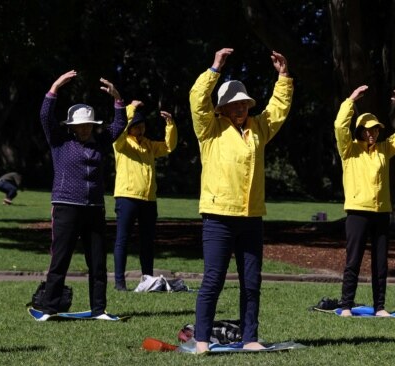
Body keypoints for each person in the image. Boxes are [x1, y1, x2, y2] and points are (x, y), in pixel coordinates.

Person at [189, 48, 293, 352]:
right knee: (213, 281)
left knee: (251, 283)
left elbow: (278, 109)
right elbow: (197, 101)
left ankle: (250, 339)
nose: (239, 109)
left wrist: (283, 77)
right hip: (218, 217)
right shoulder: (209, 129)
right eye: (233, 105)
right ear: (222, 108)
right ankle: (202, 339)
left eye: (243, 104)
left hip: (251, 219)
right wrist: (214, 69)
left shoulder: (258, 128)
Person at [37, 70, 127, 321]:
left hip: (94, 208)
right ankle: (49, 307)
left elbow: (120, 125)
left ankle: (99, 309)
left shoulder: (99, 142)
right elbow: (45, 116)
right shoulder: (59, 141)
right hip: (66, 206)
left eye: (88, 124)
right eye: (80, 125)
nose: (84, 128)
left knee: (97, 263)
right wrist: (55, 87)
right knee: (60, 260)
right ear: (72, 126)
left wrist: (117, 98)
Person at [334, 85, 395, 317]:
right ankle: (346, 305)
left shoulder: (383, 150)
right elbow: (340, 126)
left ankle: (380, 307)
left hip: (381, 212)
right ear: (359, 130)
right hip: (357, 212)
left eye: (376, 129)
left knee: (381, 263)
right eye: (368, 130)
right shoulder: (348, 150)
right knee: (353, 261)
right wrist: (350, 101)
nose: (372, 133)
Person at [112, 100, 178, 291]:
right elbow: (120, 128)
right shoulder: (121, 144)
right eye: (136, 127)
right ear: (129, 128)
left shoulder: (149, 145)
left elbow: (168, 146)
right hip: (127, 197)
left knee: (147, 242)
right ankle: (119, 283)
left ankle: (147, 280)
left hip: (148, 200)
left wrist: (170, 125)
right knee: (122, 240)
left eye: (142, 127)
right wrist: (130, 109)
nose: (140, 130)